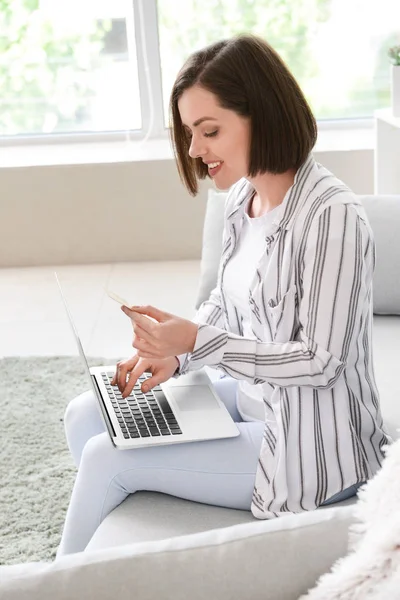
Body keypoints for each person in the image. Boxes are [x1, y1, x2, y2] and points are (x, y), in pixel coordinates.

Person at [56, 34, 391, 557]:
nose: (194, 150)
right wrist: (174, 350)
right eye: (190, 133)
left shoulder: (332, 217)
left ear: (264, 116)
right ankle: (126, 550)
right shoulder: (242, 199)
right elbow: (221, 307)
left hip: (306, 444)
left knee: (107, 459)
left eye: (209, 131)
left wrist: (199, 342)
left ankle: (64, 582)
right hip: (250, 401)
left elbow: (322, 363)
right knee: (85, 414)